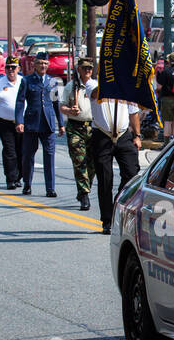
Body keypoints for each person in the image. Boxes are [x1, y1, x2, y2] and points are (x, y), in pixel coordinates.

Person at [89, 85, 142, 233]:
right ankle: (107, 220)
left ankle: (117, 206)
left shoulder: (126, 89)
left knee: (132, 174)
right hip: (102, 135)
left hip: (123, 135)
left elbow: (133, 113)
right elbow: (94, 93)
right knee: (105, 178)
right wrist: (110, 80)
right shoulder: (94, 85)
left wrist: (137, 135)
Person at [14, 51, 64, 196]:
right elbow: (20, 102)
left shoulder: (52, 81)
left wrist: (60, 124)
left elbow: (56, 103)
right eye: (40, 63)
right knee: (28, 155)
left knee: (49, 156)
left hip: (47, 123)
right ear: (34, 65)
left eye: (45, 63)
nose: (43, 66)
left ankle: (50, 188)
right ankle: (27, 184)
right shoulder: (27, 80)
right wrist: (19, 121)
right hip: (31, 122)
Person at [60, 59, 95, 210]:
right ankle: (84, 194)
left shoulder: (95, 86)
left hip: (93, 128)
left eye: (90, 68)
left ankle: (84, 189)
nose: (87, 71)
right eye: (85, 68)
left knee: (92, 164)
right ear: (79, 69)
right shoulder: (71, 87)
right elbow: (62, 105)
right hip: (75, 127)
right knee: (79, 161)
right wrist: (69, 111)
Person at [0, 55, 24, 189]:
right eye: (8, 68)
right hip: (4, 123)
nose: (11, 70)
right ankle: (10, 179)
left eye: (13, 67)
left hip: (22, 123)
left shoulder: (23, 82)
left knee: (21, 150)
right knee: (9, 150)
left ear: (18, 68)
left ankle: (19, 176)